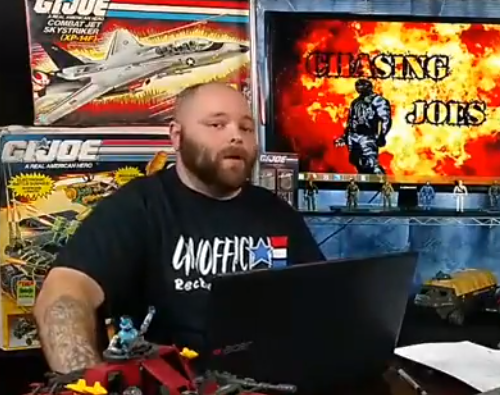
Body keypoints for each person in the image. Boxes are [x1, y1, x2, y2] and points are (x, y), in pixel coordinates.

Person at [33, 83, 326, 375]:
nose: (236, 135)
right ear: (177, 136)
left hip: (270, 391)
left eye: (246, 128)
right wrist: (87, 386)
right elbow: (62, 296)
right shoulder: (139, 207)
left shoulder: (276, 213)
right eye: (217, 124)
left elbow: (321, 303)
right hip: (172, 393)